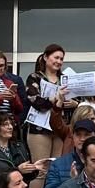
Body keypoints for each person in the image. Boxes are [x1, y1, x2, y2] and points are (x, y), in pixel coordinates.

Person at [24, 45, 77, 173]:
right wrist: (53, 100)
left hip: (60, 129)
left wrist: (74, 103)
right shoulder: (35, 77)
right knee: (40, 170)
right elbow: (34, 100)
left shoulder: (65, 79)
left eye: (61, 59)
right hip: (39, 129)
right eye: (56, 57)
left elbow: (78, 99)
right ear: (46, 57)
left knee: (56, 170)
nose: (59, 61)